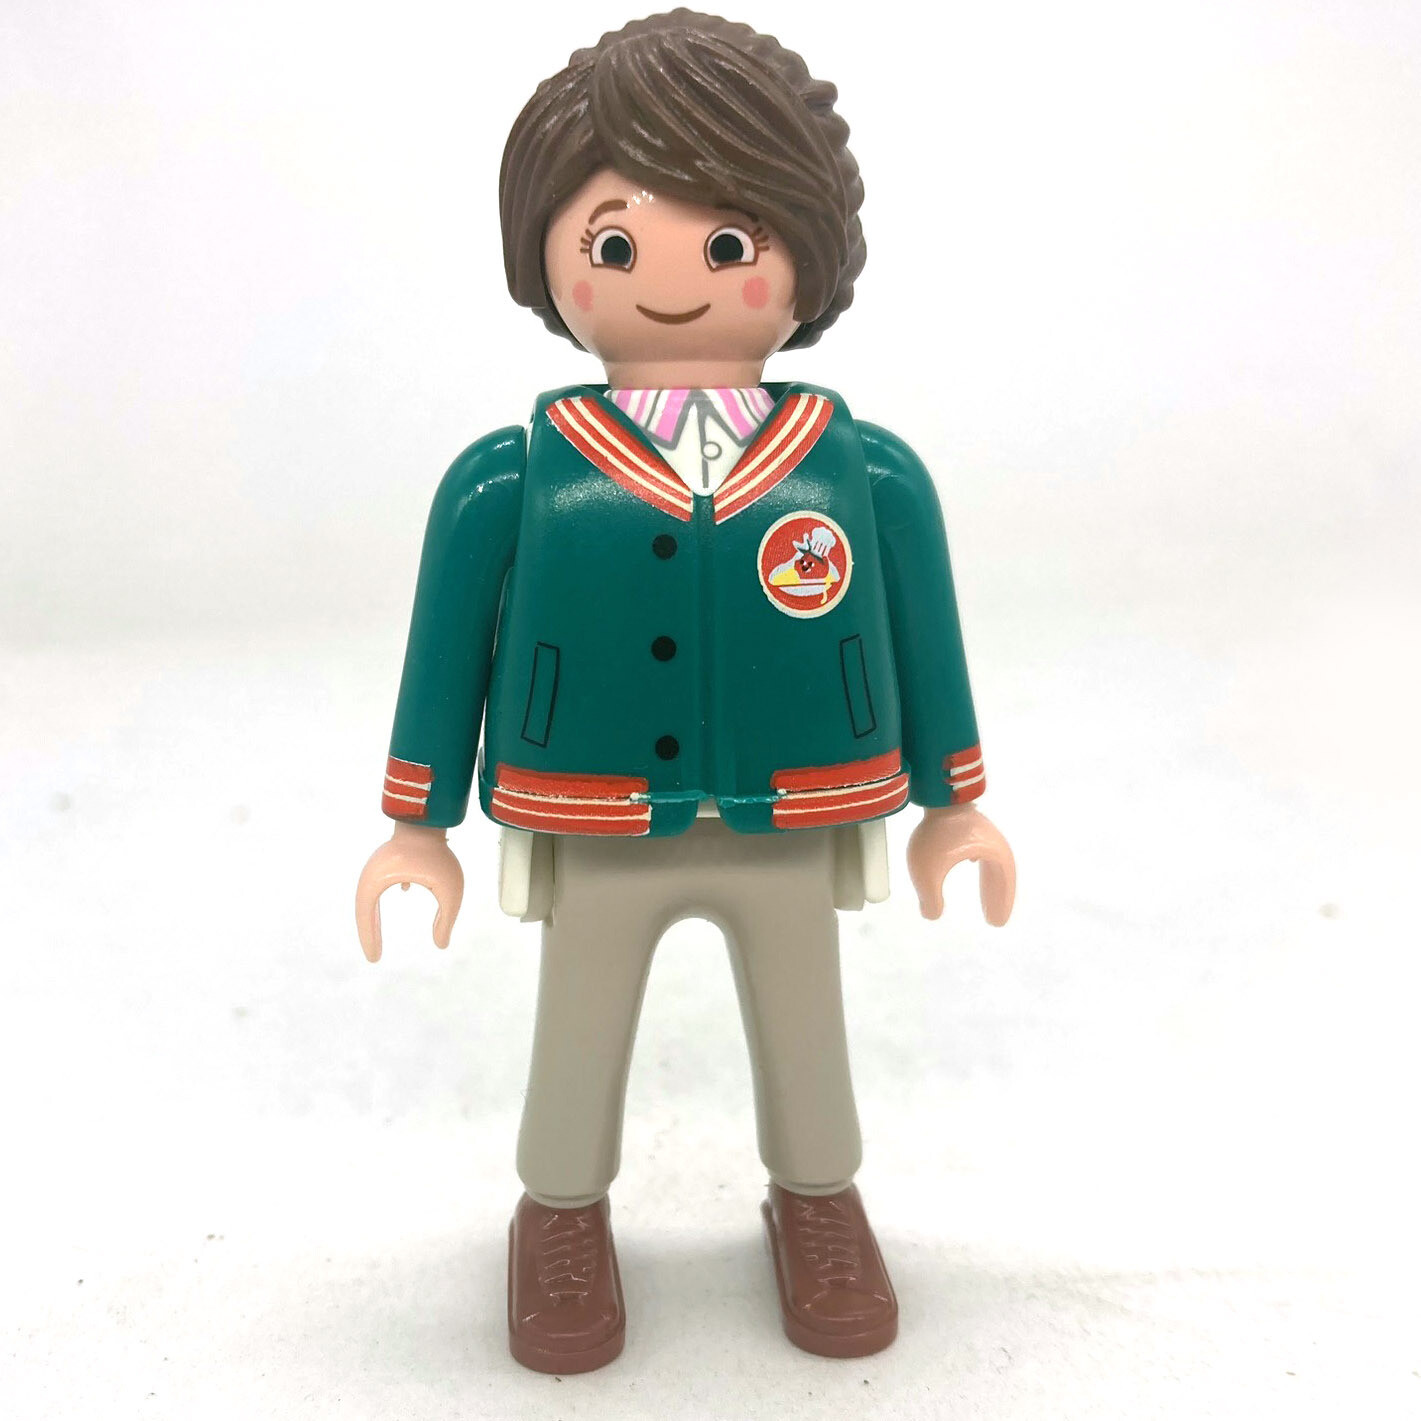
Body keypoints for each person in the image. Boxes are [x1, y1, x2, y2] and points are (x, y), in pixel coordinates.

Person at [355, 9, 1016, 1373]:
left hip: (794, 803)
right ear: (548, 259)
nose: (668, 277)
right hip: (596, 806)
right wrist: (416, 823)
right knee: (581, 1015)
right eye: (613, 243)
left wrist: (954, 801)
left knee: (804, 1011)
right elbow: (444, 645)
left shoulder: (859, 468)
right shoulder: (517, 474)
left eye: (728, 244)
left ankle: (819, 1199)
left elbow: (927, 633)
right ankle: (560, 1212)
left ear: (805, 258)